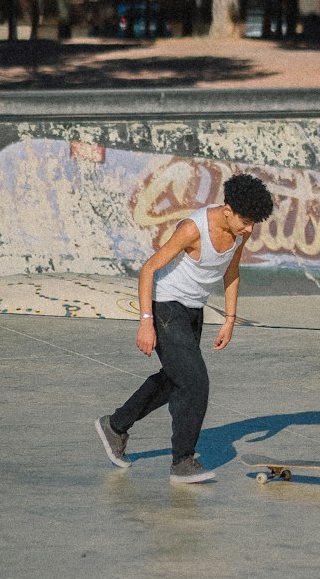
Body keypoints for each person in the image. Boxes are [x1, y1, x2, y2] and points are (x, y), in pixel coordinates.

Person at [96, 172, 274, 483]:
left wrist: (230, 320)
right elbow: (148, 269)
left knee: (175, 379)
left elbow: (231, 273)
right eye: (245, 221)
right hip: (165, 307)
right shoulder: (193, 229)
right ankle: (183, 461)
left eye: (253, 223)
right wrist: (146, 323)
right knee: (195, 382)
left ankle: (115, 425)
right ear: (228, 210)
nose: (249, 229)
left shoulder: (240, 233)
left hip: (193, 311)